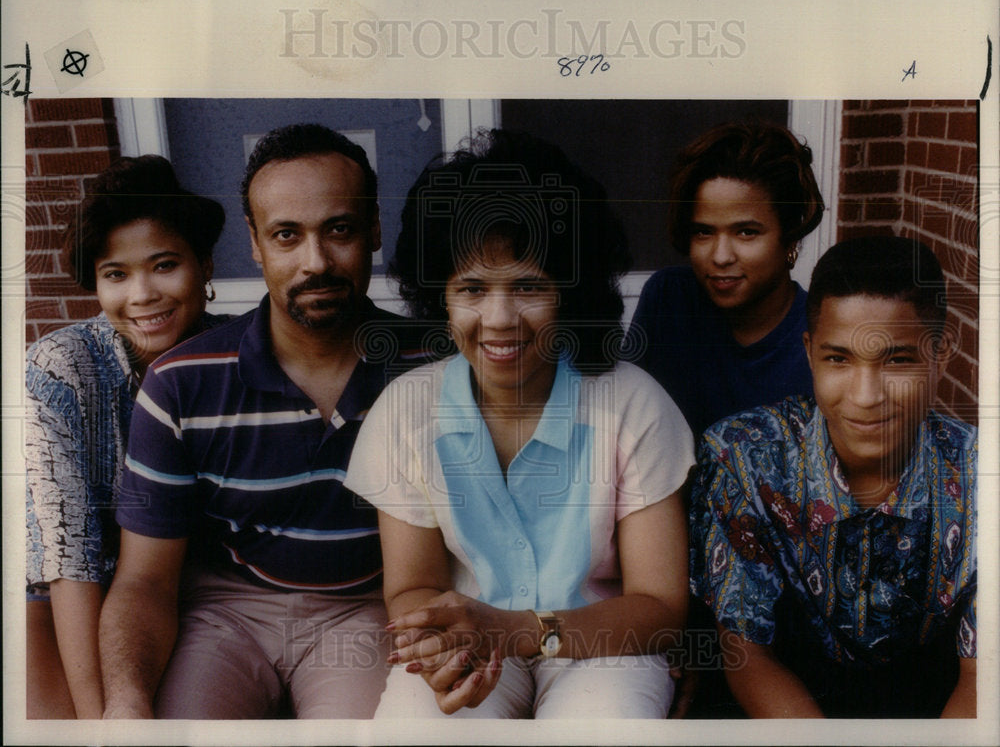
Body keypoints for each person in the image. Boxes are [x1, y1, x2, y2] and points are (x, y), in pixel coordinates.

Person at [345, 130, 692, 719]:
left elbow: (659, 607)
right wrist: (439, 648)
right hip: (469, 638)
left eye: (529, 286)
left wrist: (522, 631)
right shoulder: (404, 411)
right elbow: (411, 586)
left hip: (604, 644)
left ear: (570, 293)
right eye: (472, 289)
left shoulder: (633, 404)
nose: (499, 320)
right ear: (441, 297)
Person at [99, 124, 424, 719]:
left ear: (375, 229)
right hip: (226, 609)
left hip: (364, 608)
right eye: (286, 235)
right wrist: (125, 704)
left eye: (340, 230)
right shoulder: (180, 382)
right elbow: (143, 582)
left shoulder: (430, 369)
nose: (316, 262)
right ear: (254, 242)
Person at [689, 235, 977, 718]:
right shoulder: (745, 459)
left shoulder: (979, 474)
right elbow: (747, 654)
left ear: (942, 352)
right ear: (809, 352)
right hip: (788, 700)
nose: (866, 396)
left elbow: (982, 675)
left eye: (897, 359)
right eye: (838, 358)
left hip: (930, 702)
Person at [26, 155, 226, 718]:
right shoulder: (59, 368)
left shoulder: (230, 353)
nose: (141, 295)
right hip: (58, 593)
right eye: (116, 274)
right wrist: (102, 721)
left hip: (184, 592)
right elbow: (71, 555)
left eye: (164, 265)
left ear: (205, 265)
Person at [628, 120, 825, 437]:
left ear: (790, 238)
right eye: (703, 232)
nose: (720, 256)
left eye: (746, 232)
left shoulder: (819, 335)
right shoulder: (669, 300)